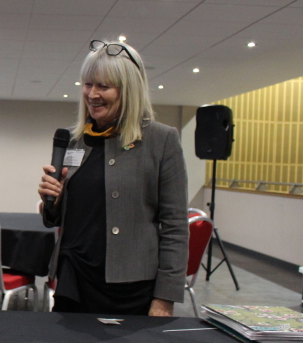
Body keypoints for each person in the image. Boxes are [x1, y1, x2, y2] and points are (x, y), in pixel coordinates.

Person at [37, 39, 188, 316]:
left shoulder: (161, 140)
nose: (92, 94)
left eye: (103, 86)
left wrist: (165, 298)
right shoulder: (74, 141)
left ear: (128, 90)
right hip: (74, 279)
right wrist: (53, 201)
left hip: (131, 289)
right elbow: (58, 218)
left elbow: (176, 228)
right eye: (87, 84)